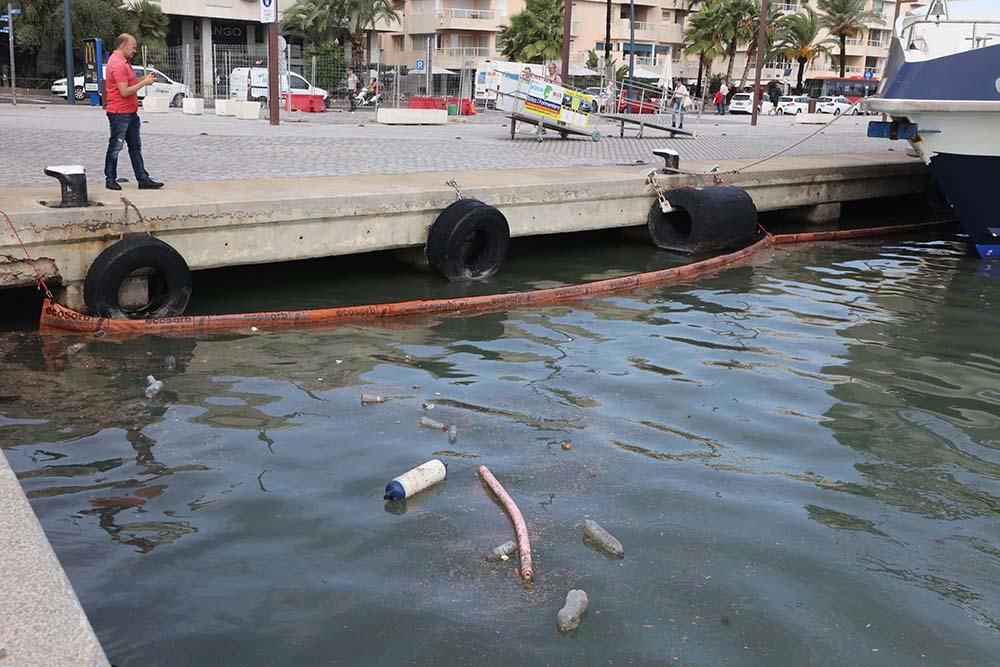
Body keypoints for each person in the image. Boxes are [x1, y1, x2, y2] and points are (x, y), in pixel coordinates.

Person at [103, 33, 162, 191]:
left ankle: (143, 179)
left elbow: (130, 82)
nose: (134, 50)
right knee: (116, 146)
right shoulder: (117, 64)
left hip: (130, 112)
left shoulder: (125, 62)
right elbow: (124, 91)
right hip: (119, 113)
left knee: (135, 146)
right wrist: (144, 83)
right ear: (123, 45)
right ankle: (110, 178)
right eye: (133, 47)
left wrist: (144, 78)